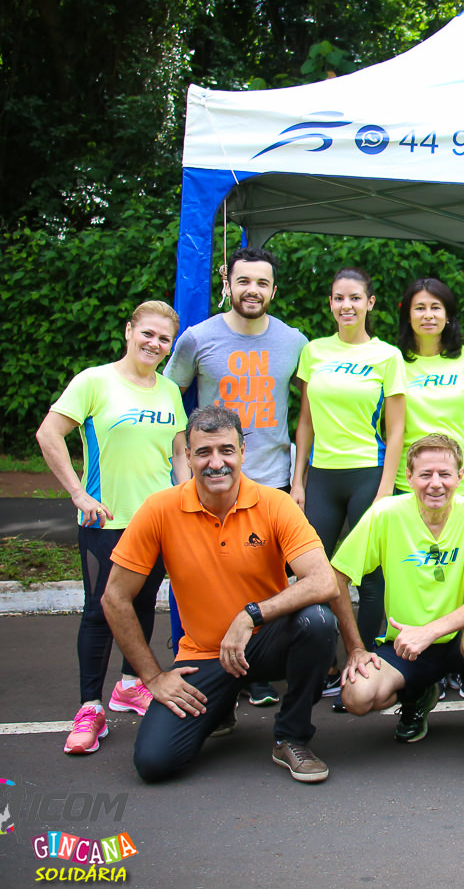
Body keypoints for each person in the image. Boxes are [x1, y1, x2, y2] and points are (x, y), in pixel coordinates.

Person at [101, 405, 338, 783]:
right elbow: (114, 597)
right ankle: (220, 703)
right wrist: (153, 677)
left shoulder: (274, 503)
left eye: (226, 450)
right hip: (205, 655)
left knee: (318, 622)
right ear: (187, 456)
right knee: (154, 763)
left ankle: (291, 737)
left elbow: (323, 581)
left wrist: (250, 615)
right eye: (203, 452)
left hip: (266, 642)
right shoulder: (160, 509)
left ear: (242, 451)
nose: (216, 463)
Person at [36, 300, 188, 755]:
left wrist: (185, 503)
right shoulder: (94, 381)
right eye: (148, 334)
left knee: (141, 604)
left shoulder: (169, 391)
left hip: (156, 522)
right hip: (105, 522)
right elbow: (48, 434)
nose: (154, 344)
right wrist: (78, 494)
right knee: (100, 612)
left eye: (164, 339)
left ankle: (128, 686)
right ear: (129, 331)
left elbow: (178, 454)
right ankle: (90, 708)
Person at [164, 247, 307, 708]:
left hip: (272, 481)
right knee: (215, 580)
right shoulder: (197, 338)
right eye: (244, 281)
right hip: (213, 482)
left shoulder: (294, 342)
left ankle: (257, 670)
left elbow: (312, 407)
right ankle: (213, 668)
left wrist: (299, 479)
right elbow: (168, 401)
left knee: (267, 582)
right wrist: (181, 469)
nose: (252, 290)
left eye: (262, 283)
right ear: (227, 284)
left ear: (273, 290)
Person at [328, 434, 464, 768]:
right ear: (409, 477)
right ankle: (419, 694)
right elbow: (336, 579)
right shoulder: (386, 513)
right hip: (404, 644)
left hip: (457, 640)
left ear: (460, 477)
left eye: (445, 474)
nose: (435, 484)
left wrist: (429, 631)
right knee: (357, 697)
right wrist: (355, 648)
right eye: (425, 474)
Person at [292, 267, 406, 664]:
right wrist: (298, 481)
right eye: (339, 298)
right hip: (322, 477)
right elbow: (305, 422)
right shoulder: (314, 351)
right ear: (330, 303)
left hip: (367, 474)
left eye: (355, 298)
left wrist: (386, 489)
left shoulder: (387, 356)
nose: (347, 305)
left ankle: (366, 659)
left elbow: (396, 430)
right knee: (313, 574)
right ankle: (322, 663)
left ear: (369, 303)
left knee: (370, 578)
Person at [395, 278, 464, 499]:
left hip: (461, 482)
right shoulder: (394, 361)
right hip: (409, 482)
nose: (428, 315)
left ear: (448, 315)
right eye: (420, 308)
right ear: (408, 316)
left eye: (436, 308)